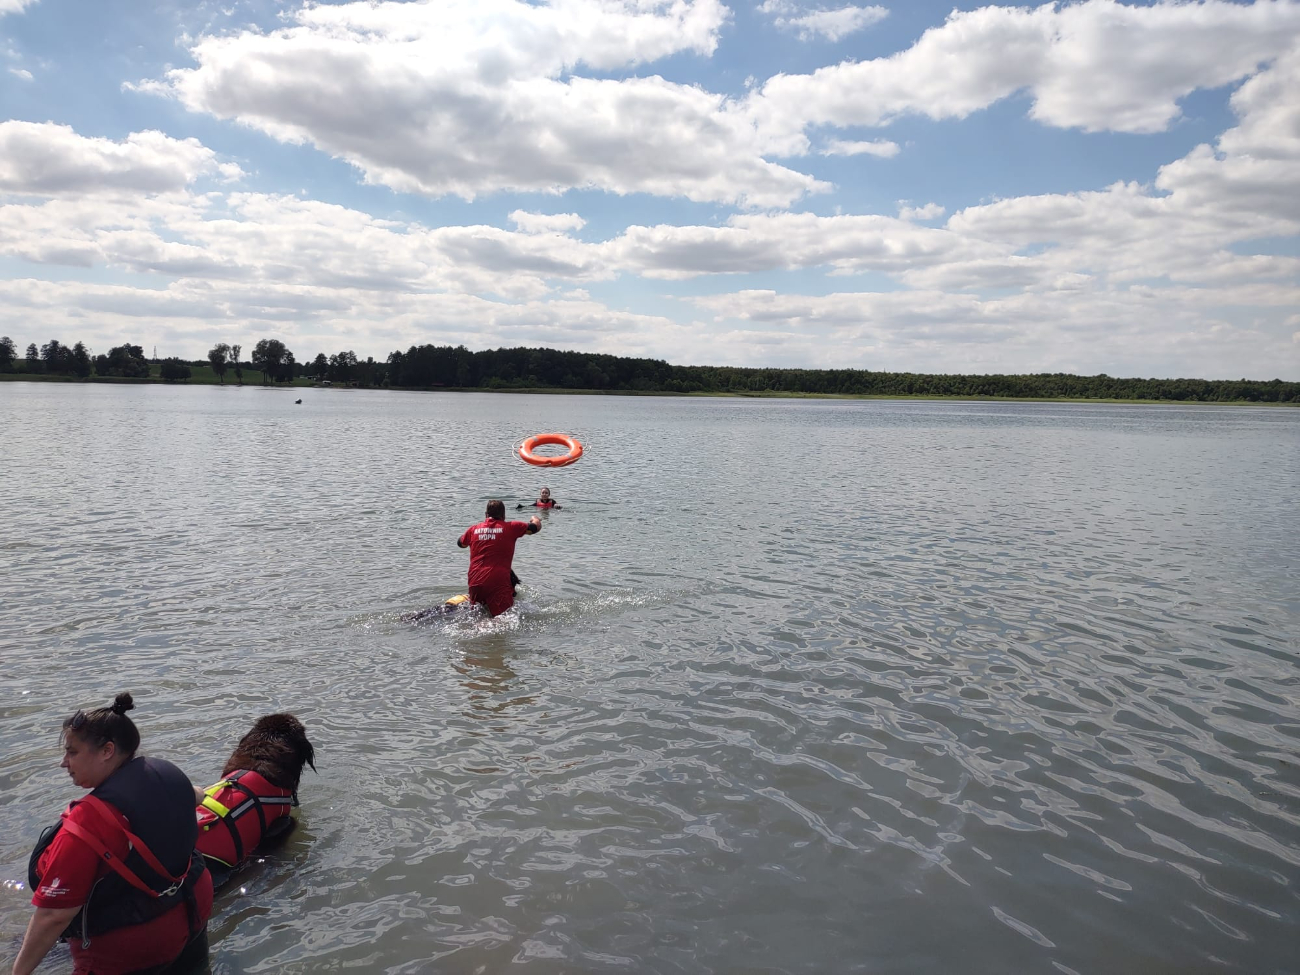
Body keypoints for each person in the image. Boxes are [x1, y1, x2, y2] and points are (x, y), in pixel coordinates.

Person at [15, 693, 213, 975]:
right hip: (194, 906)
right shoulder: (165, 772)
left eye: (72, 752)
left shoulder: (87, 821)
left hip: (137, 944)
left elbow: (53, 916)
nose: (63, 763)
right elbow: (198, 795)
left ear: (107, 751)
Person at [457, 500, 541, 617]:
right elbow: (535, 527)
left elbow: (461, 544)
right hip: (498, 581)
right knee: (503, 617)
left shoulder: (473, 530)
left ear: (486, 515)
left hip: (475, 581)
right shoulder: (512, 527)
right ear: (504, 515)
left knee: (477, 616)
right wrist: (535, 518)